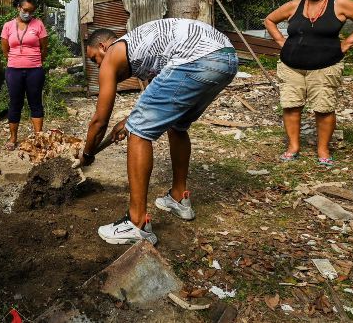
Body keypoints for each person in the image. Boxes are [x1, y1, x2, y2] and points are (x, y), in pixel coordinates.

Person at [75, 19, 238, 245]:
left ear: (104, 46)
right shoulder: (145, 51)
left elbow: (99, 121)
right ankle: (179, 198)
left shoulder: (113, 54)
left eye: (95, 59)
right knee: (177, 124)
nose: (97, 66)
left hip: (196, 58)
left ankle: (136, 223)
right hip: (226, 58)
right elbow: (159, 98)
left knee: (139, 133)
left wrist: (88, 154)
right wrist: (127, 120)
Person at [264, 0, 353, 167]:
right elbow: (269, 20)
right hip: (291, 66)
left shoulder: (340, 4)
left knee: (324, 108)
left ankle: (323, 149)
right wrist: (281, 42)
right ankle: (293, 147)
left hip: (326, 66)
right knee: (291, 106)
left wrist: (349, 42)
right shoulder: (295, 5)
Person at [0, 0, 49, 150]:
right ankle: (13, 138)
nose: (28, 13)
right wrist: (16, 60)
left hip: (35, 70)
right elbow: (5, 50)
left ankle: (38, 138)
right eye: (25, 10)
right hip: (13, 70)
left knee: (35, 103)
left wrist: (32, 60)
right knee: (15, 103)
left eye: (31, 11)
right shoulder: (8, 26)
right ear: (18, 8)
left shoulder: (38, 24)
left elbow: (44, 48)